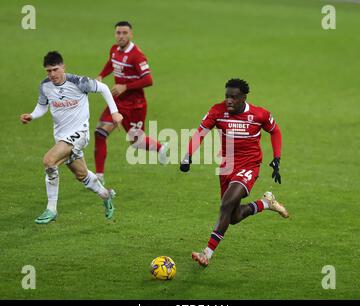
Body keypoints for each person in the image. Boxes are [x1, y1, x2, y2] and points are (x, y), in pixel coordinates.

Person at [180, 78, 289, 267]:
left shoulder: (259, 114)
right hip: (226, 167)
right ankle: (265, 203)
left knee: (226, 204)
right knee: (234, 216)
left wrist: (277, 157)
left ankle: (207, 253)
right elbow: (200, 132)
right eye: (227, 96)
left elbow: (275, 131)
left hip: (249, 165)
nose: (229, 100)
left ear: (243, 98)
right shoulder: (217, 111)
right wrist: (188, 155)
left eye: (234, 97)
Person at [20, 51, 123, 224]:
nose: (52, 74)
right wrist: (32, 115)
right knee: (82, 175)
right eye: (48, 71)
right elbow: (42, 106)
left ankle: (51, 209)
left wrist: (114, 112)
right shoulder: (45, 86)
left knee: (49, 161)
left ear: (63, 67)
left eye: (55, 69)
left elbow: (104, 88)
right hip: (61, 138)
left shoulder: (78, 82)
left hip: (79, 134)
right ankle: (106, 196)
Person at [94, 21, 168, 184]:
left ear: (131, 35)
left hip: (135, 106)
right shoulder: (114, 49)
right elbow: (111, 62)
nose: (121, 36)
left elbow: (148, 80)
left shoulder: (137, 55)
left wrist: (125, 86)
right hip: (117, 103)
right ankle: (99, 177)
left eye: (124, 33)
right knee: (100, 133)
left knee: (136, 142)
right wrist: (101, 75)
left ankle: (161, 148)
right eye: (118, 33)